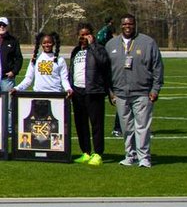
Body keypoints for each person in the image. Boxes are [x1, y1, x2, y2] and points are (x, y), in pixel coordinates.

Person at [106, 14, 164, 168]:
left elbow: (157, 67)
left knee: (142, 126)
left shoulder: (147, 42)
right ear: (120, 25)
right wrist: (110, 93)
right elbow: (106, 72)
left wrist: (155, 89)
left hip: (142, 92)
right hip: (120, 93)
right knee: (126, 127)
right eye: (125, 24)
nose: (127, 27)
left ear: (135, 25)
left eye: (130, 24)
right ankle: (129, 155)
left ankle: (144, 157)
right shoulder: (111, 44)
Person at [69, 22, 111, 166]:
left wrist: (93, 45)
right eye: (81, 35)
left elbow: (104, 62)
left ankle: (98, 153)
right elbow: (72, 71)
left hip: (94, 91)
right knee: (81, 124)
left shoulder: (99, 48)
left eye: (87, 34)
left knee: (96, 124)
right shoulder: (75, 51)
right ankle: (85, 152)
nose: (84, 37)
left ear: (91, 35)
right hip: (78, 92)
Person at [0, 16, 23, 92]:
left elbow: (19, 58)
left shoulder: (13, 40)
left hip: (6, 79)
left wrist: (14, 72)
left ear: (7, 27)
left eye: (4, 25)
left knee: (8, 101)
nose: (2, 27)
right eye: (0, 25)